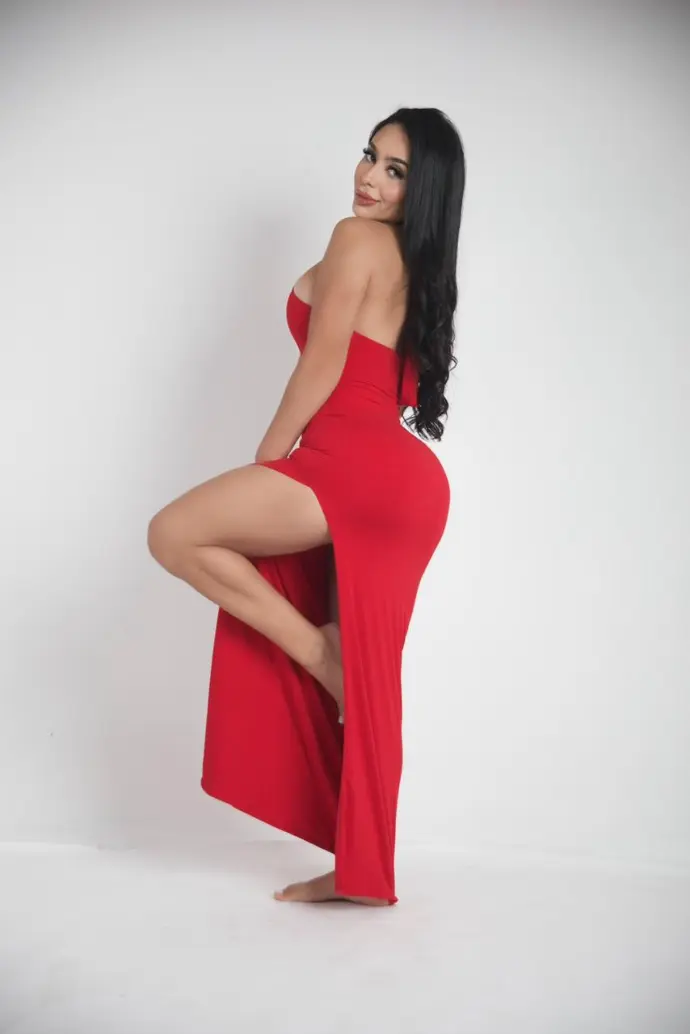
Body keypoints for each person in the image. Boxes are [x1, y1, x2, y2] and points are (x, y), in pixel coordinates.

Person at [147, 107, 466, 907]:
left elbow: (324, 363)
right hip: (407, 485)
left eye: (395, 170)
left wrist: (273, 453)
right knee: (376, 688)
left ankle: (321, 656)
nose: (369, 177)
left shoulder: (354, 239)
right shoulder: (419, 266)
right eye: (369, 156)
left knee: (175, 534)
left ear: (422, 189)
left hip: (351, 464)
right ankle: (364, 873)